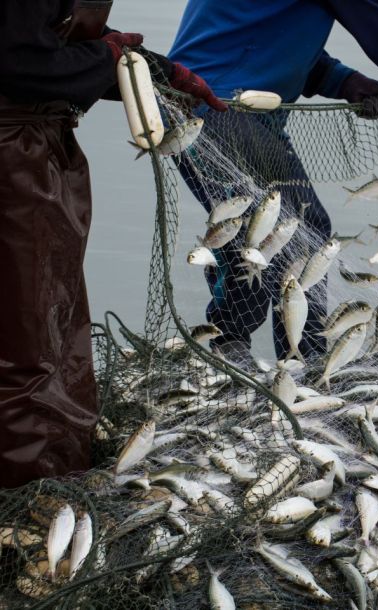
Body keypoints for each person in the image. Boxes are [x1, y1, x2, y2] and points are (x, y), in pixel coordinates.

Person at [168, 0, 378, 365]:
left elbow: (262, 30)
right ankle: (250, 353)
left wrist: (341, 79)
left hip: (231, 107)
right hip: (215, 110)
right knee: (272, 232)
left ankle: (293, 357)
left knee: (292, 230)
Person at [0, 0, 226, 488]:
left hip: (34, 147)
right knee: (26, 338)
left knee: (51, 321)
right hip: (11, 160)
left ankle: (58, 468)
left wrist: (156, 71)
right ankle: (33, 493)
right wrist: (107, 59)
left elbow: (49, 43)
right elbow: (19, 65)